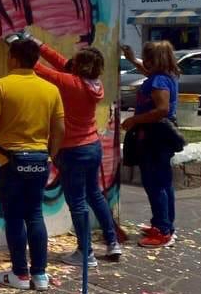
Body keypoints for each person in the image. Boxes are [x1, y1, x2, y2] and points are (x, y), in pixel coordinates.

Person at [16, 32, 122, 266]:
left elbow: (40, 69)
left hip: (72, 150)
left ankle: (86, 252)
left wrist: (19, 45)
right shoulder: (93, 83)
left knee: (77, 202)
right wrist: (38, 43)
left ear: (80, 66)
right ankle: (112, 241)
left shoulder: (71, 83)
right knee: (95, 194)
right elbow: (61, 62)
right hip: (92, 146)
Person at [0, 37, 65, 291]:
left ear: (13, 59)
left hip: (9, 160)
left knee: (14, 216)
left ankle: (20, 273)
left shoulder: (0, 86)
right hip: (39, 159)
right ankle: (40, 274)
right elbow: (59, 129)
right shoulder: (50, 90)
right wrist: (51, 154)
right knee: (35, 214)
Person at [122, 41, 180, 249]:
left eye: (146, 59)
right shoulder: (167, 76)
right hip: (162, 135)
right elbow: (148, 73)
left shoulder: (158, 81)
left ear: (154, 60)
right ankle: (165, 224)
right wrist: (132, 60)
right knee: (164, 182)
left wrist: (134, 120)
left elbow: (161, 109)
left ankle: (162, 231)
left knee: (154, 183)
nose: (144, 62)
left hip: (154, 135)